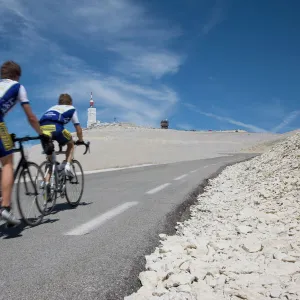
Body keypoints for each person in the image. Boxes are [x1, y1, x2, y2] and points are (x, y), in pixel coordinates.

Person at [0, 60, 49, 225]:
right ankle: (5, 207)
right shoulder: (17, 87)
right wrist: (42, 134)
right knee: (7, 162)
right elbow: (31, 117)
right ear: (16, 75)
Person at [39, 93, 84, 185]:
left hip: (42, 129)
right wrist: (80, 140)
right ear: (70, 102)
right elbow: (78, 129)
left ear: (59, 102)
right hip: (56, 127)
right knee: (71, 143)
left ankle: (46, 186)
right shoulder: (71, 108)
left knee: (50, 158)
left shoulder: (52, 108)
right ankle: (67, 166)